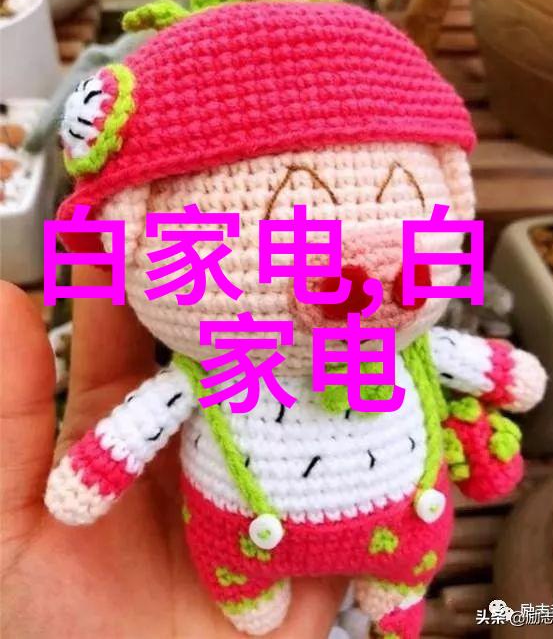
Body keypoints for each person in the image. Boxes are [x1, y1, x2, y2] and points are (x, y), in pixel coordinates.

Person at [0, 267, 346, 638]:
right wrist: (94, 472)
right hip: (236, 529)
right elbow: (140, 423)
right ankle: (248, 591)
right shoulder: (206, 367)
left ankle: (381, 580)